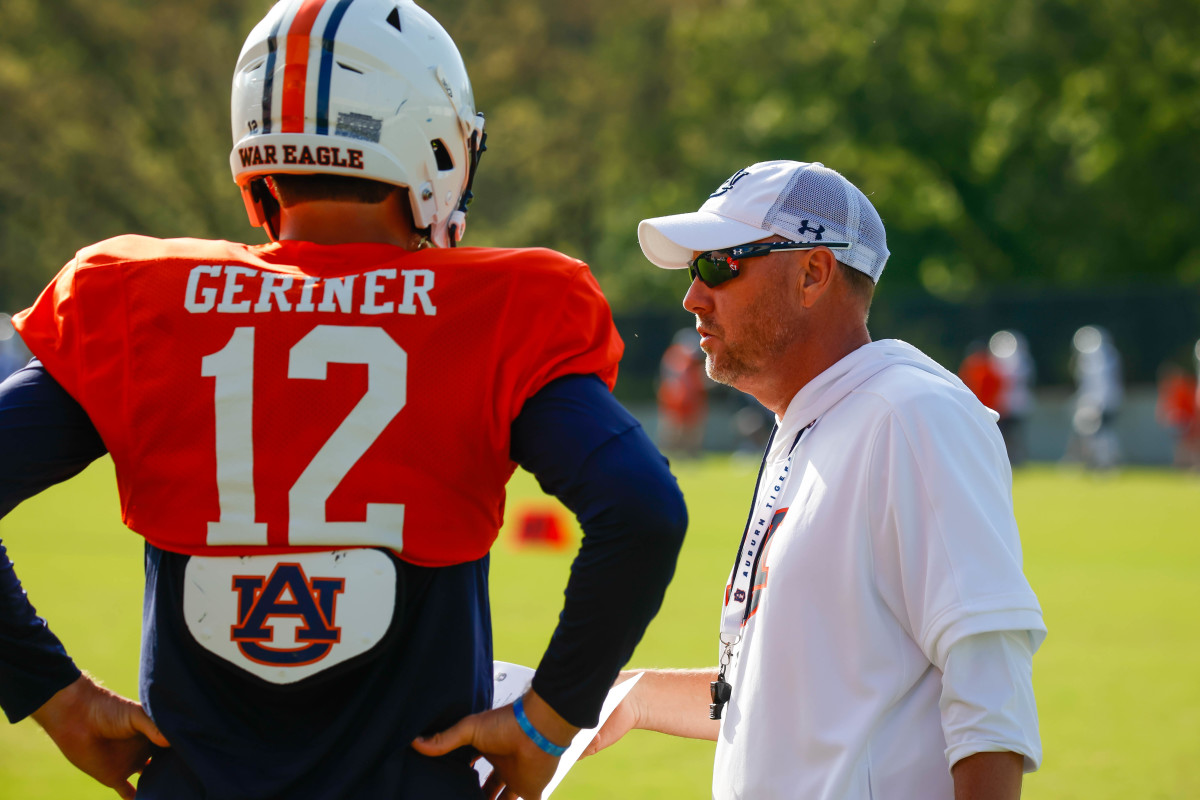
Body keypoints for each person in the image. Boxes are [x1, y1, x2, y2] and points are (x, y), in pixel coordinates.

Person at [0, 2, 686, 798]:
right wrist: (548, 718)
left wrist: (50, 692)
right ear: (435, 143)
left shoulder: (138, 298)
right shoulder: (501, 307)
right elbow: (641, 512)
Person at [585, 160, 1046, 800]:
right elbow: (796, 700)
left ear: (812, 273)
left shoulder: (911, 416)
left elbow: (990, 702)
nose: (692, 295)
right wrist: (631, 695)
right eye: (693, 271)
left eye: (719, 265)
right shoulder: (817, 421)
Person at [1067, 324, 1123, 470]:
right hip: (1102, 400)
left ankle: (1104, 462)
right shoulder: (1109, 354)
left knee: (1100, 433)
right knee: (1097, 433)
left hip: (1099, 402)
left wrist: (1094, 403)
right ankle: (1099, 461)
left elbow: (1098, 383)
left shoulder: (1095, 358)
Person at [656, 327, 709, 456]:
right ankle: (670, 454)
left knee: (692, 430)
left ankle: (690, 454)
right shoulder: (674, 356)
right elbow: (671, 380)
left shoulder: (694, 360)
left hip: (692, 399)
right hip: (676, 400)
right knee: (673, 429)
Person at [989, 329, 1036, 465]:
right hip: (1004, 404)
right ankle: (1010, 458)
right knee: (1005, 434)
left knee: (1015, 434)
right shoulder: (1017, 361)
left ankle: (1018, 458)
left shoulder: (1022, 362)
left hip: (1014, 404)